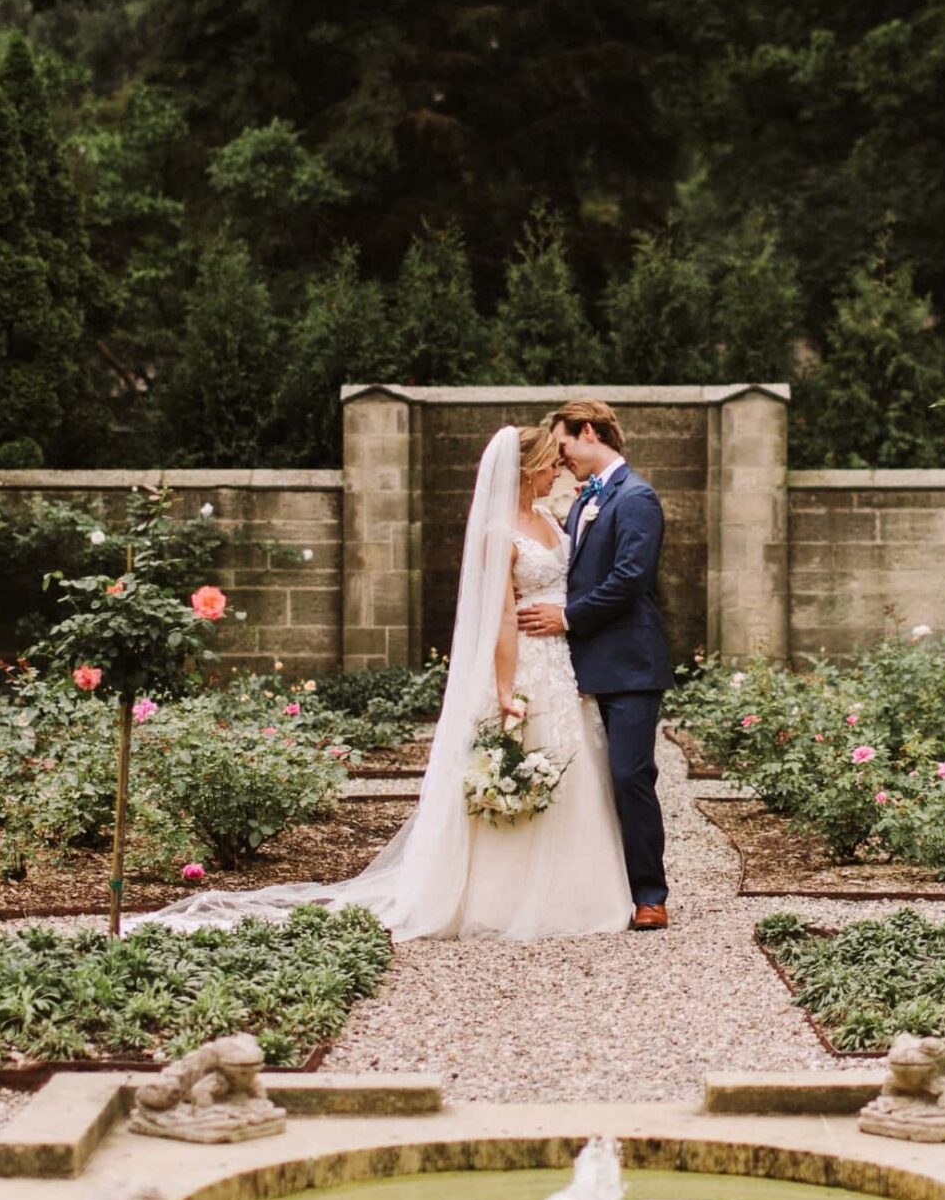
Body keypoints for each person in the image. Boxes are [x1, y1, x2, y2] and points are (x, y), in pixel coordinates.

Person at [140, 422, 631, 940]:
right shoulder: (497, 535)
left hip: (561, 663)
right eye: (552, 461)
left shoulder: (554, 522)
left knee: (573, 767)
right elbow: (502, 620)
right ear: (528, 468)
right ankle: (506, 899)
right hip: (524, 665)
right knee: (523, 763)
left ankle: (574, 895)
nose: (559, 468)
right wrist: (506, 690)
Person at [517, 397, 672, 930]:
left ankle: (651, 895)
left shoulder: (637, 498)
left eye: (562, 445)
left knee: (631, 776)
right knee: (587, 781)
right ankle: (598, 891)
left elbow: (630, 579)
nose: (560, 460)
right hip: (579, 666)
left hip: (630, 664)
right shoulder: (585, 500)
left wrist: (567, 618)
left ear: (588, 432)